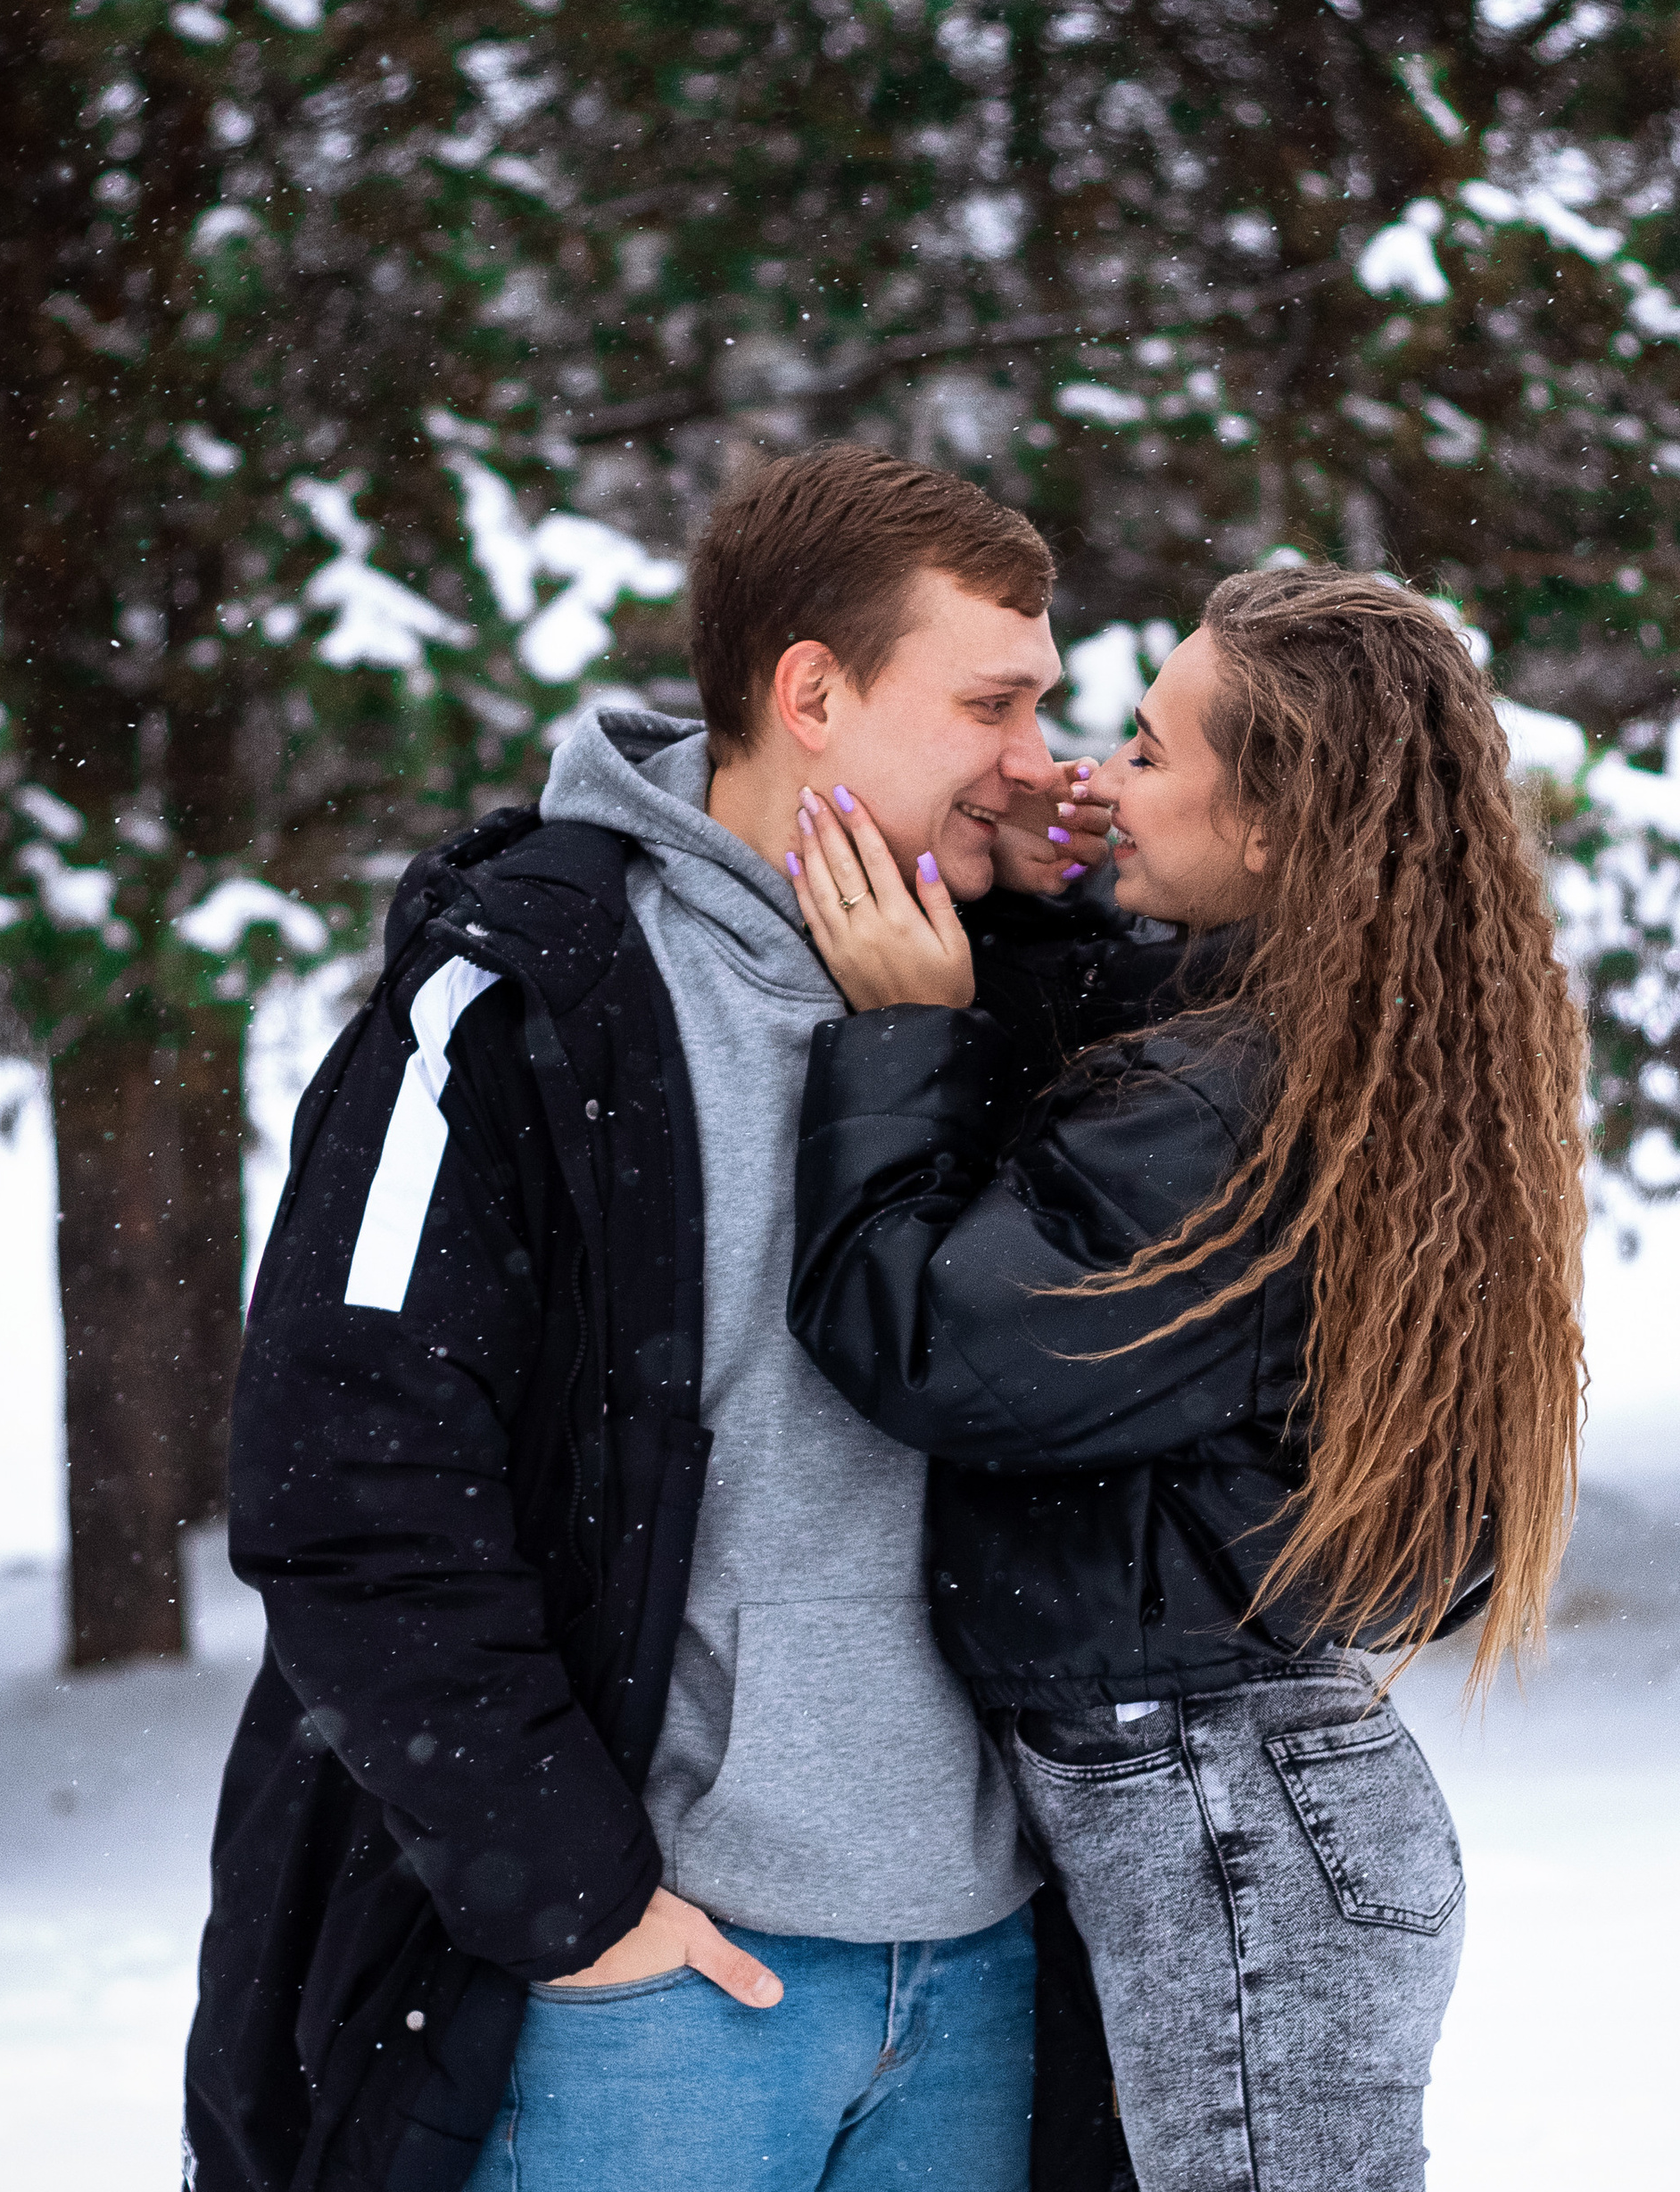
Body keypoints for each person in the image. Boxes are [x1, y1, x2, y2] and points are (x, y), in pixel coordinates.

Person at [183, 444, 1117, 2192]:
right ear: (812, 692)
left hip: (983, 1963)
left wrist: (1085, 926)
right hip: (663, 1991)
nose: (1035, 752)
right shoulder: (516, 992)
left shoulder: (1010, 978)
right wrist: (577, 1903)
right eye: (989, 701)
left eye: (1044, 701)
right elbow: (342, 1481)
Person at [784, 566, 1590, 2192]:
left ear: (1282, 822)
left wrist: (902, 1035)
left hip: (1232, 1819)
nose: (1084, 778)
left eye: (1145, 752)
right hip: (1252, 1802)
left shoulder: (1235, 1106)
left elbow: (937, 1346)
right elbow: (1109, 1138)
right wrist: (1042, 915)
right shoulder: (1325, 1052)